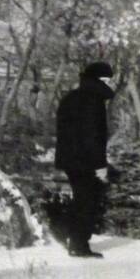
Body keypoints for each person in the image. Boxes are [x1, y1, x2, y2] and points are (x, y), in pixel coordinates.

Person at [55, 61, 116, 258]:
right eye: (106, 80)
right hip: (87, 162)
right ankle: (79, 245)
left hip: (71, 160)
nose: (109, 84)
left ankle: (74, 240)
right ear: (97, 80)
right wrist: (99, 166)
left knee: (80, 199)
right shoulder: (93, 101)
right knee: (88, 201)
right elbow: (92, 137)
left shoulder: (71, 98)